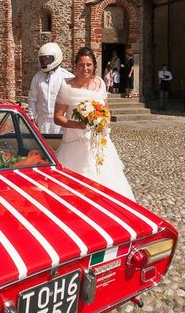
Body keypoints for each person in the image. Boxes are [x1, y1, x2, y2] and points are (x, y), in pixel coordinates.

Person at [54, 47, 135, 200]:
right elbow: (58, 117)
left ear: (94, 66)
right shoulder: (66, 87)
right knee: (73, 189)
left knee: (107, 184)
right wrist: (77, 124)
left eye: (89, 64)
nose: (85, 68)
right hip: (75, 144)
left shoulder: (100, 83)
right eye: (81, 64)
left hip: (99, 144)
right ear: (76, 66)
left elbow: (107, 110)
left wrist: (103, 121)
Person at [27, 42, 74, 134]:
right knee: (43, 147)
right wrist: (31, 118)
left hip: (61, 123)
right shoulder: (37, 77)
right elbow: (32, 99)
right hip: (42, 122)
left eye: (47, 59)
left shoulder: (67, 77)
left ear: (56, 57)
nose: (45, 62)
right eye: (42, 59)